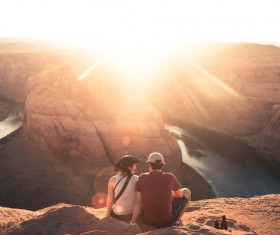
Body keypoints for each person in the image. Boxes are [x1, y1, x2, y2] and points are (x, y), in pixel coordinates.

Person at [131, 152, 191, 227]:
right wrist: (169, 193)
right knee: (186, 191)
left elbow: (138, 202)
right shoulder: (170, 177)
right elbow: (180, 195)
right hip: (167, 222)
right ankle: (177, 220)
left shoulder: (142, 177)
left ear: (149, 165)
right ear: (162, 165)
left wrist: (132, 223)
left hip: (148, 221)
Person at [106, 155, 140, 221]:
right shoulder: (138, 179)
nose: (136, 167)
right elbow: (138, 201)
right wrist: (133, 222)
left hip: (118, 215)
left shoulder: (113, 179)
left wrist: (108, 215)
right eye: (134, 165)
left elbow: (110, 201)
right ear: (130, 167)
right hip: (132, 214)